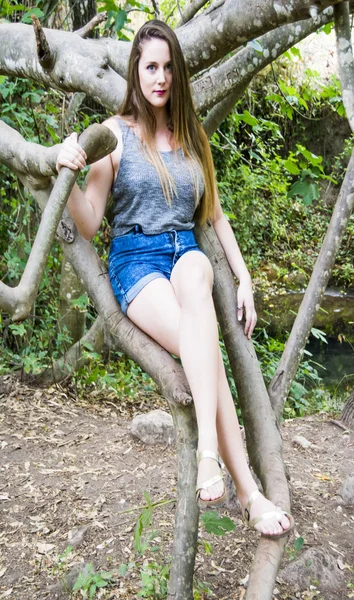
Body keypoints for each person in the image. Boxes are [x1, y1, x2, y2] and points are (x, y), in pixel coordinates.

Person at [57, 19, 294, 538]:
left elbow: (214, 216)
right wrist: (67, 170)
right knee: (202, 343)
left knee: (196, 271)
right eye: (150, 67)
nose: (159, 77)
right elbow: (91, 221)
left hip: (184, 254)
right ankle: (249, 492)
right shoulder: (114, 135)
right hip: (136, 264)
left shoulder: (190, 137)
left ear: (177, 72)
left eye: (167, 67)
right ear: (135, 72)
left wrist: (246, 277)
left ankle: (211, 457)